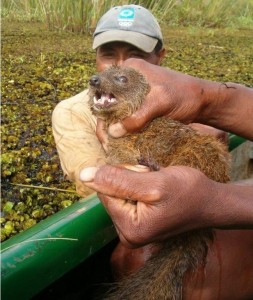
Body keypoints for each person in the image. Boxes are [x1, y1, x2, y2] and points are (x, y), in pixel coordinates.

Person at [52, 4, 253, 299]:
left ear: (159, 57)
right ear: (95, 56)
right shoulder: (71, 111)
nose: (121, 64)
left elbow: (206, 153)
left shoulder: (173, 95)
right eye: (109, 53)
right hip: (128, 221)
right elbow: (92, 184)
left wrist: (211, 114)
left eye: (136, 54)